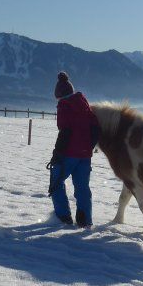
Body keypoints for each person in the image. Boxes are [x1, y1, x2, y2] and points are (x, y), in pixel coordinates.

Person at [47, 71, 100, 227]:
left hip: (68, 154)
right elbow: (96, 129)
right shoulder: (84, 105)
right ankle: (85, 220)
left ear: (59, 95)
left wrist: (57, 153)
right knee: (82, 188)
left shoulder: (64, 106)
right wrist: (88, 147)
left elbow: (65, 131)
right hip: (85, 156)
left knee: (56, 183)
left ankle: (63, 218)